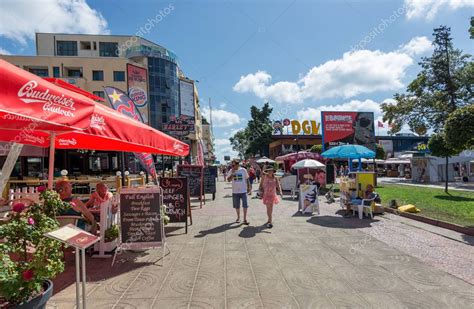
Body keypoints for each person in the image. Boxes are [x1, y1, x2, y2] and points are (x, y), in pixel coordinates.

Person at [227, 159, 251, 225]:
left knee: (245, 205)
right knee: (237, 206)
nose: (232, 166)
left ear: (238, 164)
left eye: (234, 165)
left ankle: (245, 219)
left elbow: (247, 178)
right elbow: (228, 180)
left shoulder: (243, 170)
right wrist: (232, 174)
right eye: (232, 165)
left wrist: (249, 187)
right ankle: (238, 217)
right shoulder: (231, 170)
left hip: (243, 191)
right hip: (235, 192)